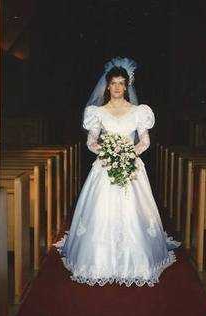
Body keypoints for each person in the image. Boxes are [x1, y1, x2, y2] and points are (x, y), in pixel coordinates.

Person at [54, 57, 180, 287]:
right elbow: (91, 142)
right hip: (105, 167)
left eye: (122, 83)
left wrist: (129, 153)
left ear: (127, 85)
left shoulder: (138, 111)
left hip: (131, 167)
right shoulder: (97, 112)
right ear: (107, 85)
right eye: (114, 83)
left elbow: (145, 141)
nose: (118, 88)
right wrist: (108, 152)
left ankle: (136, 261)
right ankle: (99, 261)